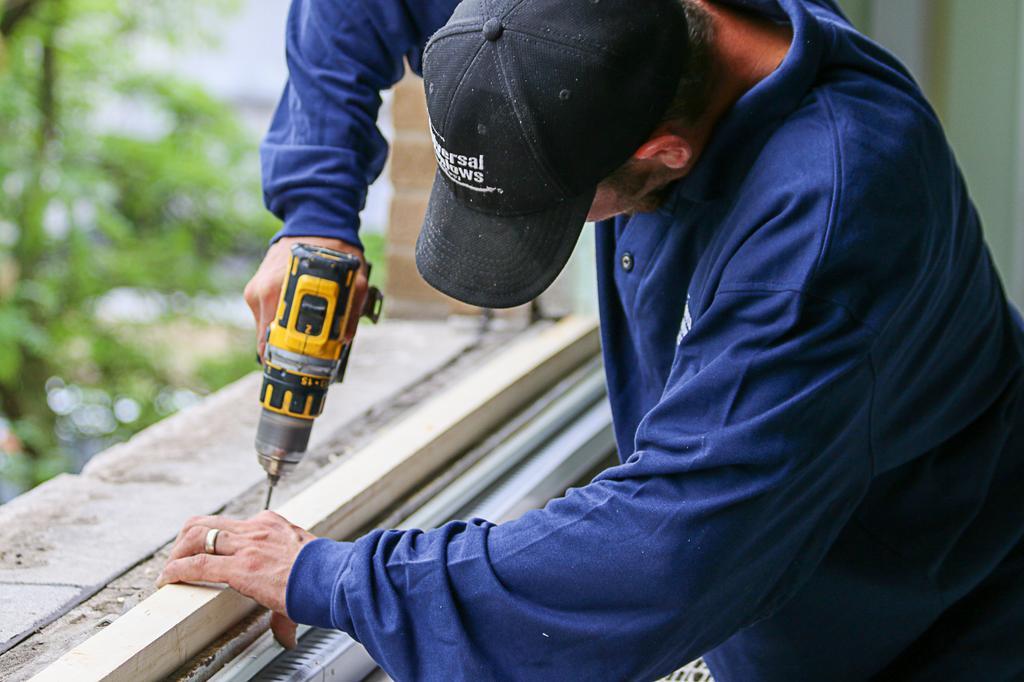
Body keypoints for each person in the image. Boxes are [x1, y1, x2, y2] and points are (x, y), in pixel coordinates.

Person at [159, 0, 1024, 679]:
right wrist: (318, 215)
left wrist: (338, 578)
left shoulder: (829, 218)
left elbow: (671, 550)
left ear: (666, 152)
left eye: (556, 209)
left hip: (924, 623)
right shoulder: (603, 22)